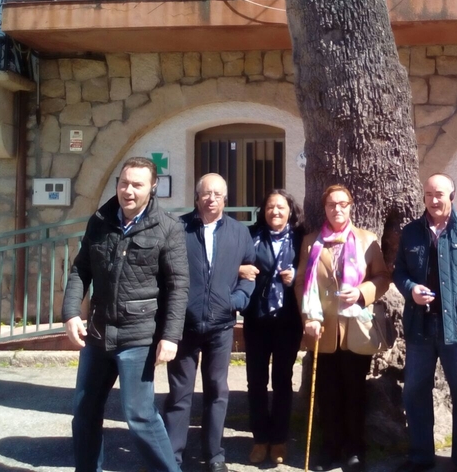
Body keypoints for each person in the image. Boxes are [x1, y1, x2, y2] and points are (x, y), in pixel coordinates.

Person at [62, 156, 189, 472]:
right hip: (97, 334)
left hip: (138, 337)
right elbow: (81, 269)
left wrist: (170, 336)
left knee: (139, 416)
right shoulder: (99, 220)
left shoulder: (168, 227)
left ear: (152, 187)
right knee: (85, 412)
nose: (128, 191)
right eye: (123, 183)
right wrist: (70, 312)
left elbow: (178, 286)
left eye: (137, 185)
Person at [393, 173, 457, 472]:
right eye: (428, 194)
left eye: (439, 194)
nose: (434, 200)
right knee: (414, 392)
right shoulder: (411, 232)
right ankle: (421, 456)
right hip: (420, 326)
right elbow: (399, 271)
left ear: (452, 195)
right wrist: (411, 288)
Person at [163, 173, 256, 472]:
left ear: (225, 199)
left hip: (221, 326)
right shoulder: (177, 228)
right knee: (179, 394)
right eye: (206, 193)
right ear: (197, 197)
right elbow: (163, 271)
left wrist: (236, 300)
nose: (211, 198)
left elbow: (250, 273)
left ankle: (214, 455)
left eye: (217, 194)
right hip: (184, 326)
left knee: (217, 391)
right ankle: (173, 457)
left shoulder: (239, 232)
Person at [294, 184, 389, 472]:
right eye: (331, 204)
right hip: (322, 328)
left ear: (351, 206)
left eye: (342, 203)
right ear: (324, 208)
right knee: (328, 392)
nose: (337, 209)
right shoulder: (311, 242)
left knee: (355, 392)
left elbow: (382, 278)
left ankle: (355, 449)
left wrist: (361, 292)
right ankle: (330, 448)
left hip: (355, 329)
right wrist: (308, 318)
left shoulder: (367, 240)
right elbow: (301, 282)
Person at [239, 189, 305, 466]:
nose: (275, 212)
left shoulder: (302, 238)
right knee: (255, 380)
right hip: (256, 319)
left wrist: (297, 275)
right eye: (269, 207)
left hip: (288, 320)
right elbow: (231, 261)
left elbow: (315, 269)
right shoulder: (250, 235)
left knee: (282, 380)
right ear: (263, 211)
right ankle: (259, 439)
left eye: (280, 207)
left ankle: (279, 439)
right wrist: (240, 269)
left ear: (290, 210)